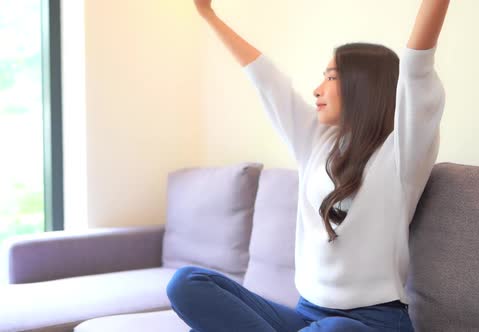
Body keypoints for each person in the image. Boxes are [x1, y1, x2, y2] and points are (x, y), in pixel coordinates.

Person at [167, 1, 450, 331]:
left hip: (372, 322)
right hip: (305, 316)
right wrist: (208, 15)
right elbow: (266, 80)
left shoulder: (403, 151)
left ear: (364, 85)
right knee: (187, 283)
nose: (317, 89)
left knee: (332, 330)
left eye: (330, 77)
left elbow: (416, 65)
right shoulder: (315, 141)